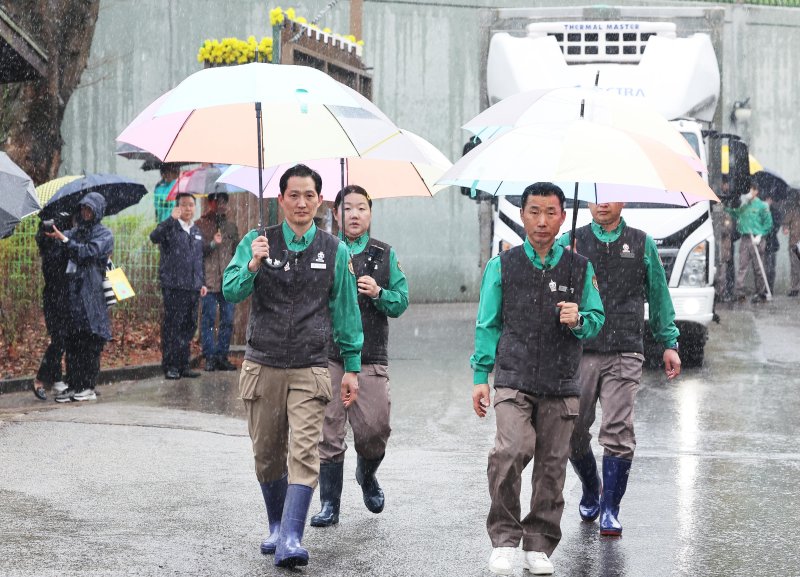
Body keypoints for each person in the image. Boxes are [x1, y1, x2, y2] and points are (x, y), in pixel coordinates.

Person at [222, 164, 363, 568]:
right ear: (281, 199)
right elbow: (230, 291)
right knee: (267, 453)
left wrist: (351, 366)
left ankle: (291, 536)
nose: (302, 203)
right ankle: (276, 524)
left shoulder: (335, 250)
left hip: (310, 365)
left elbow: (346, 311)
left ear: (320, 201)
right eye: (294, 195)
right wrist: (253, 264)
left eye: (309, 195)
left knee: (304, 451)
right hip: (262, 363)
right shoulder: (257, 241)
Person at [470, 182, 604, 576]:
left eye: (550, 212)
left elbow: (596, 319)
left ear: (563, 218)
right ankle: (504, 539)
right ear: (522, 215)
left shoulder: (580, 268)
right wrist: (480, 375)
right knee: (510, 451)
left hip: (561, 382)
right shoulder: (503, 265)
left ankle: (539, 543)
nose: (542, 221)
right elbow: (487, 324)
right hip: (514, 377)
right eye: (534, 212)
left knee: (551, 466)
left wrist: (578, 319)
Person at [557, 201, 681, 538]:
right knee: (572, 428)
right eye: (597, 197)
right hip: (580, 349)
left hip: (625, 348)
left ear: (622, 200)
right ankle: (591, 484)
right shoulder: (571, 241)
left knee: (618, 430)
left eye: (610, 196)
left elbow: (658, 294)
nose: (603, 204)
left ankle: (611, 508)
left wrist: (669, 341)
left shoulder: (641, 242)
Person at [310, 185, 409, 528]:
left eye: (361, 208)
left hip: (370, 355)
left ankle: (367, 475)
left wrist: (379, 293)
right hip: (329, 354)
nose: (354, 214)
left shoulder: (384, 254)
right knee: (329, 430)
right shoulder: (324, 250)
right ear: (336, 214)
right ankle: (329, 504)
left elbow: (402, 300)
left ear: (370, 214)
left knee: (375, 430)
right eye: (347, 208)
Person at [45, 193, 114, 403]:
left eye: (89, 209)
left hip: (92, 296)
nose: (85, 213)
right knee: (73, 341)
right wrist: (53, 232)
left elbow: (88, 253)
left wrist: (66, 241)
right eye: (83, 208)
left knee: (90, 341)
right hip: (72, 296)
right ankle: (74, 383)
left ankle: (87, 386)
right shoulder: (76, 231)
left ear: (98, 211)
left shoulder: (104, 234)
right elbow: (60, 247)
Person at [149, 193, 207, 380]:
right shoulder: (170, 227)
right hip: (174, 286)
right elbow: (154, 237)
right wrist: (170, 220)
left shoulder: (196, 231)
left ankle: (183, 365)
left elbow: (198, 259)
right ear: (177, 207)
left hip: (193, 287)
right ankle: (171, 365)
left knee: (188, 327)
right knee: (173, 327)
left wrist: (202, 282)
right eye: (184, 205)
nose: (188, 208)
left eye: (191, 205)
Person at [31, 212, 74, 400]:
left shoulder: (68, 238)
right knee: (60, 339)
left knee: (64, 338)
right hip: (55, 298)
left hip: (66, 296)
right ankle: (40, 379)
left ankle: (57, 380)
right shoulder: (51, 249)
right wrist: (61, 239)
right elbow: (57, 270)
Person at [196, 191, 240, 371]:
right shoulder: (200, 225)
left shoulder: (231, 227)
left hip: (227, 282)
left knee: (227, 320)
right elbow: (197, 251)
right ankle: (209, 357)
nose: (220, 205)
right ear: (210, 203)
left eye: (223, 202)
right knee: (208, 320)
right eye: (217, 201)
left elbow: (237, 253)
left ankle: (222, 356)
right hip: (209, 280)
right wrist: (213, 243)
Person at [728, 181, 773, 303]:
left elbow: (768, 224)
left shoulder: (762, 206)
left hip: (757, 240)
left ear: (756, 191)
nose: (748, 193)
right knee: (742, 267)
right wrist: (728, 208)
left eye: (751, 190)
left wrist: (760, 235)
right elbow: (736, 214)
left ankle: (760, 293)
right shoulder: (745, 205)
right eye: (748, 190)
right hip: (745, 238)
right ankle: (739, 293)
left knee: (759, 268)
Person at [783, 187, 800, 297]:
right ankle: (795, 288)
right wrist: (785, 229)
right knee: (795, 267)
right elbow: (785, 223)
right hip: (794, 243)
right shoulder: (793, 212)